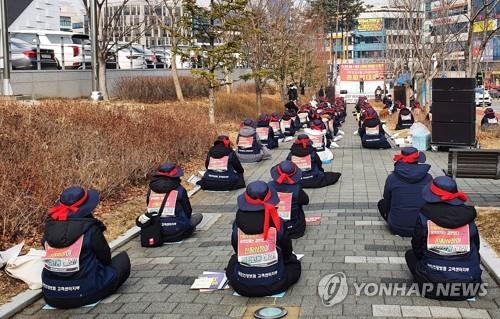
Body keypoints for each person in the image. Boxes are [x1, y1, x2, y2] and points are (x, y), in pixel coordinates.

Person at [42, 187, 130, 309]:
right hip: (86, 293)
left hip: (51, 295)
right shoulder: (90, 228)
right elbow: (105, 257)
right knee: (122, 261)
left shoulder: (49, 227)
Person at [405, 176, 482, 300]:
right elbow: (476, 247)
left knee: (410, 255)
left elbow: (417, 247)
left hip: (431, 286)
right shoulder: (468, 217)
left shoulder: (424, 216)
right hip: (468, 286)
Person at [225, 181, 302, 297]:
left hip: (243, 285)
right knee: (294, 265)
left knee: (233, 261)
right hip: (276, 282)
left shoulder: (237, 224)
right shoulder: (278, 222)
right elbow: (286, 250)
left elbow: (236, 248)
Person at [141, 163, 203, 243]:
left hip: (157, 232)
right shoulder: (180, 190)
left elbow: (148, 206)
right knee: (198, 216)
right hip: (178, 232)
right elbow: (188, 211)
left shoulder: (151, 190)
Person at [378, 147, 432, 237]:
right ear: (418, 160)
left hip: (397, 227)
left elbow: (387, 199)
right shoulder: (428, 178)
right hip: (421, 227)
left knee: (382, 203)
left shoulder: (392, 178)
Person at [268, 161, 309, 238]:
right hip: (295, 229)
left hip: (275, 228)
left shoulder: (269, 186)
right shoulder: (297, 188)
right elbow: (306, 201)